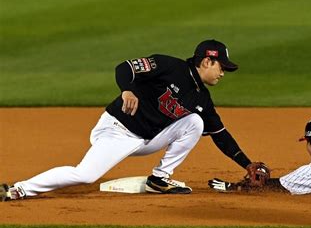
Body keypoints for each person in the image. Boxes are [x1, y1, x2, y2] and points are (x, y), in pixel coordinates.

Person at [1, 39, 266, 200]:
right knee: (86, 174)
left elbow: (220, 134)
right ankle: (18, 189)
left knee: (195, 122)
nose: (223, 73)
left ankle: (159, 179)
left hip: (145, 140)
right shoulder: (168, 66)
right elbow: (125, 67)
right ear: (207, 61)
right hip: (117, 129)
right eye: (222, 67)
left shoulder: (203, 99)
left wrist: (246, 163)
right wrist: (126, 89)